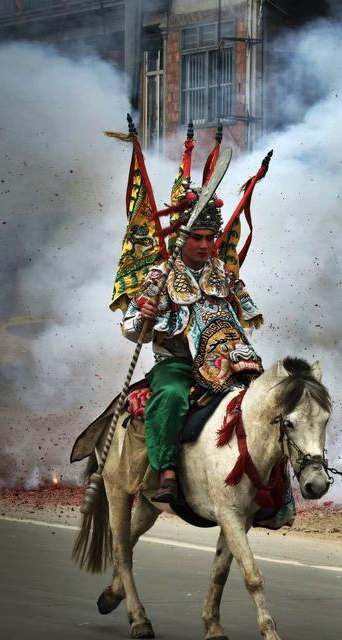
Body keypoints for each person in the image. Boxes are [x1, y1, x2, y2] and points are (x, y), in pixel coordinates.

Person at [121, 204, 263, 503]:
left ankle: (274, 491)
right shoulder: (159, 276)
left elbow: (242, 318)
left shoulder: (223, 274)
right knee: (171, 395)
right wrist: (145, 315)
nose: (204, 245)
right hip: (177, 365)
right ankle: (168, 473)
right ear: (181, 238)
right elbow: (131, 328)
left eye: (210, 238)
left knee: (271, 403)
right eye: (197, 237)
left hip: (227, 363)